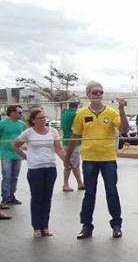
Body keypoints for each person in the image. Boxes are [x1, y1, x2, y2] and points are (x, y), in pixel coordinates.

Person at [65, 81, 129, 239]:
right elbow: (75, 136)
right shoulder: (81, 114)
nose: (99, 95)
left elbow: (124, 129)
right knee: (89, 193)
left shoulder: (112, 113)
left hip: (108, 159)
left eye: (101, 92)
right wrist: (67, 157)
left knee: (112, 192)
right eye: (95, 92)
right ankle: (86, 226)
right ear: (88, 95)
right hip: (89, 159)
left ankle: (116, 225)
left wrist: (122, 110)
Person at [13, 108, 66, 237]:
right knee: (37, 198)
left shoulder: (53, 132)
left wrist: (67, 161)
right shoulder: (28, 133)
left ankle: (45, 227)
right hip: (35, 169)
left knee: (47, 198)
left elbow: (59, 149)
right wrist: (26, 157)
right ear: (33, 120)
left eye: (44, 117)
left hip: (50, 168)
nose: (43, 120)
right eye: (40, 118)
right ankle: (36, 227)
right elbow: (15, 146)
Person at [0, 105, 25, 209]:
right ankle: (5, 197)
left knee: (14, 176)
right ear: (12, 113)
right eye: (19, 112)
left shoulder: (22, 124)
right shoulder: (2, 124)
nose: (21, 114)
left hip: (17, 154)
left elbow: (25, 137)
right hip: (5, 153)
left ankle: (11, 196)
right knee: (7, 175)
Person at [60, 102, 83, 192]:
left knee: (68, 163)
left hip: (65, 140)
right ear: (76, 106)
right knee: (74, 164)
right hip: (74, 142)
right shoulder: (75, 115)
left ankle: (75, 183)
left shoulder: (64, 114)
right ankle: (77, 184)